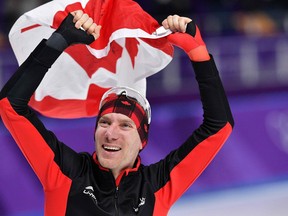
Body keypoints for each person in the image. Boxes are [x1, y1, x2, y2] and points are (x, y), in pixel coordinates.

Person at [0, 10, 234, 216]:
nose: (110, 133)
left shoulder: (156, 186)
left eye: (125, 125)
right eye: (104, 122)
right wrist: (59, 41)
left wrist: (199, 54)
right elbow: (11, 105)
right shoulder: (65, 172)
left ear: (143, 139)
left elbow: (219, 125)